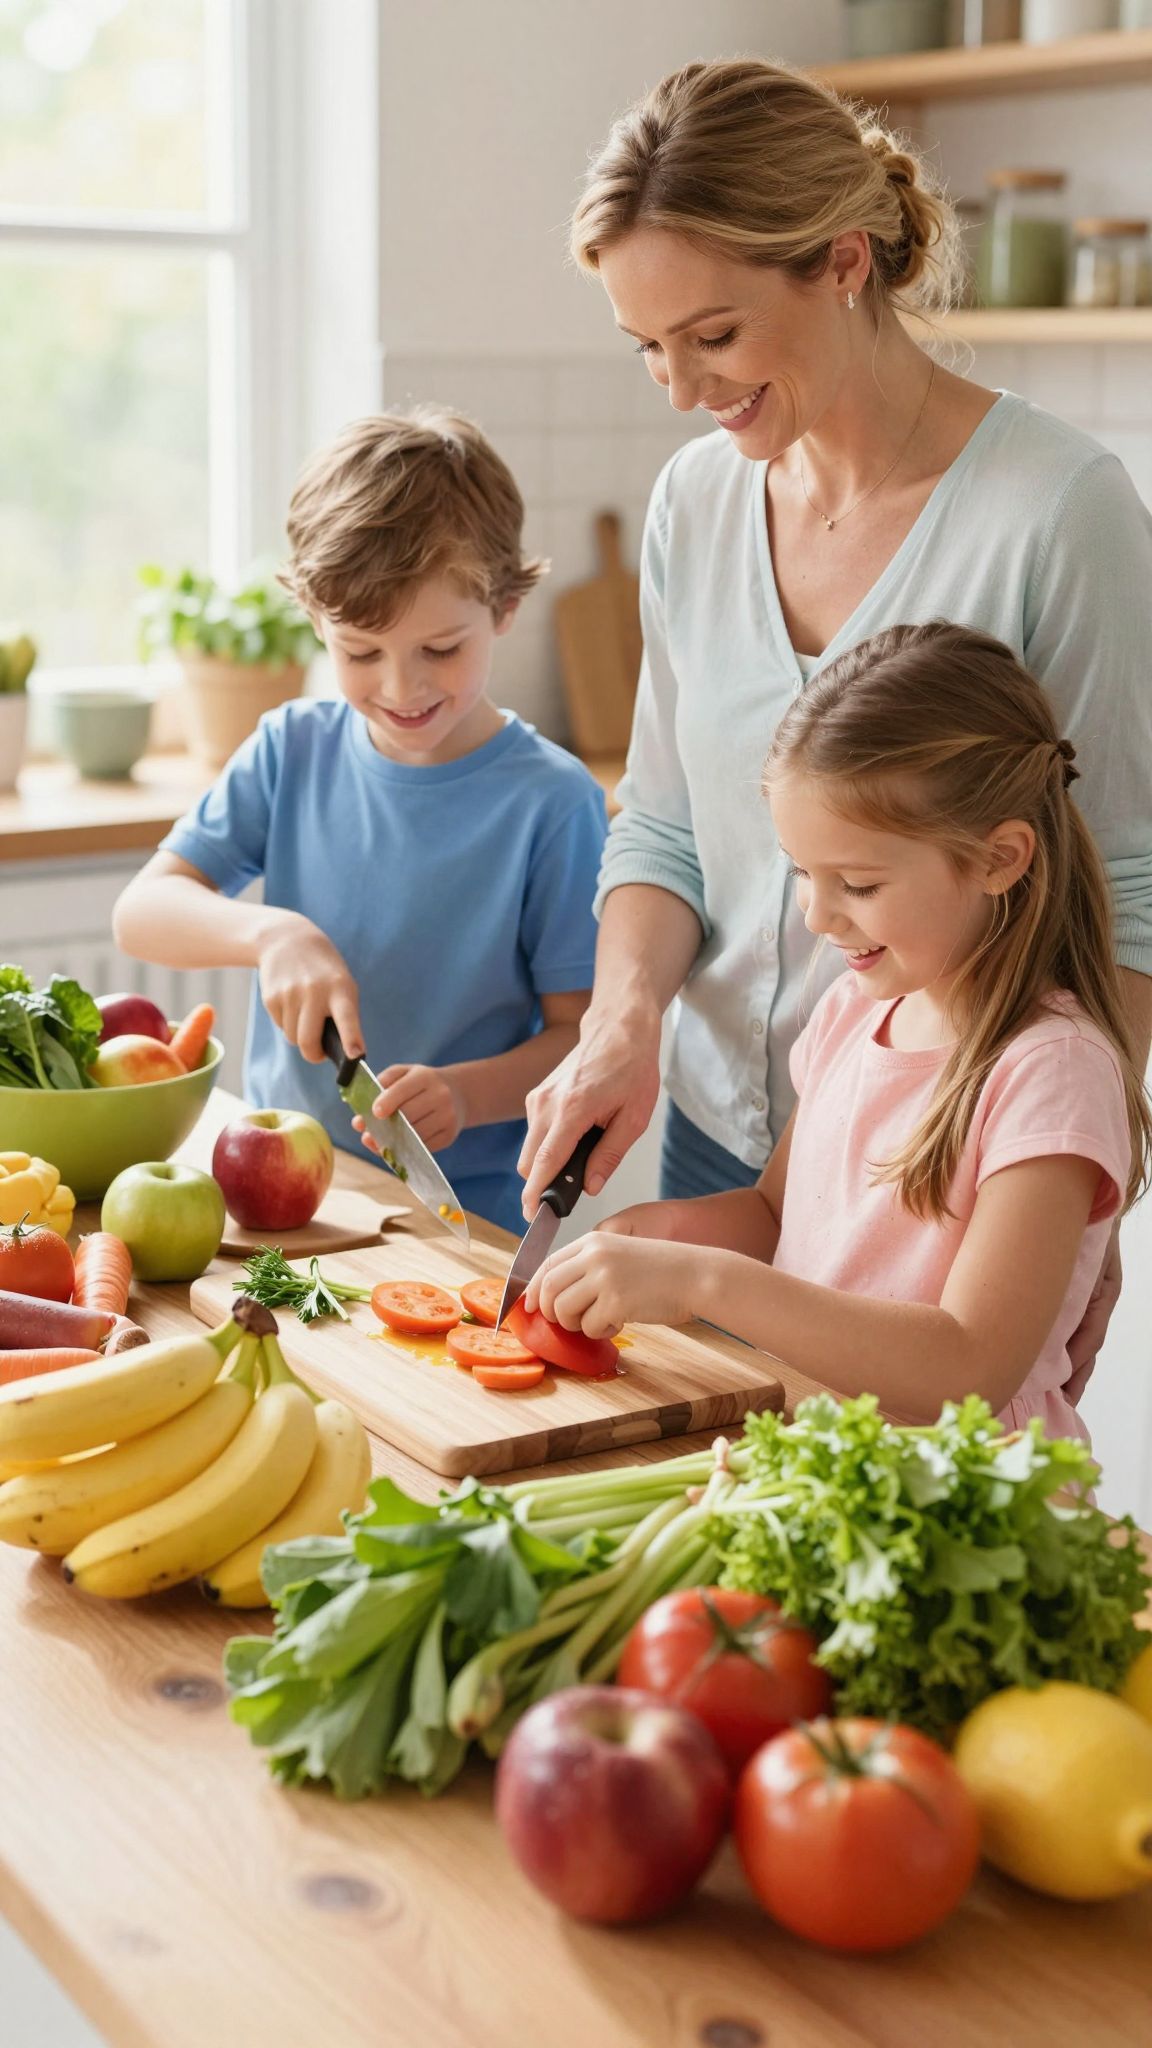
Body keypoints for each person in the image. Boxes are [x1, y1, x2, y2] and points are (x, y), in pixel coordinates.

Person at [519, 56, 1152, 1390]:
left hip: (951, 1160)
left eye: (715, 335)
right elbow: (666, 828)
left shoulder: (1059, 510)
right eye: (647, 348)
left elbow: (1130, 887)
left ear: (844, 264)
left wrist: (1073, 1192)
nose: (681, 387)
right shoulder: (698, 501)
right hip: (736, 1149)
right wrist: (621, 1023)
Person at [524, 624, 1152, 1439]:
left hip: (967, 1511)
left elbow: (968, 1367)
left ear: (1000, 859)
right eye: (800, 873)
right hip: (818, 1460)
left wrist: (701, 1281)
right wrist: (658, 1235)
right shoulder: (856, 1009)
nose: (818, 917)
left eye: (856, 883)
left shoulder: (1052, 1074)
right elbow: (777, 1216)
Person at [113, 409, 607, 1235]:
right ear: (313, 618)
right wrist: (273, 935)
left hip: (467, 1224)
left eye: (441, 650)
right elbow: (143, 913)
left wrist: (465, 1093)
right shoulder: (291, 747)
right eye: (360, 652)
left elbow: (581, 1039)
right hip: (285, 1205)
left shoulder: (554, 803)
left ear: (507, 604)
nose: (402, 688)